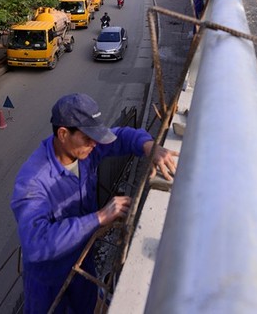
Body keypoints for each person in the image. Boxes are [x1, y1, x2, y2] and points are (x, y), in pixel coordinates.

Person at [10, 93, 178, 314]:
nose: (95, 144)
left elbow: (123, 136)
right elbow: (36, 244)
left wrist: (150, 147)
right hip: (48, 279)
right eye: (88, 138)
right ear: (63, 134)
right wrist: (98, 218)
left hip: (83, 257)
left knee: (88, 307)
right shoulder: (33, 181)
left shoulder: (86, 150)